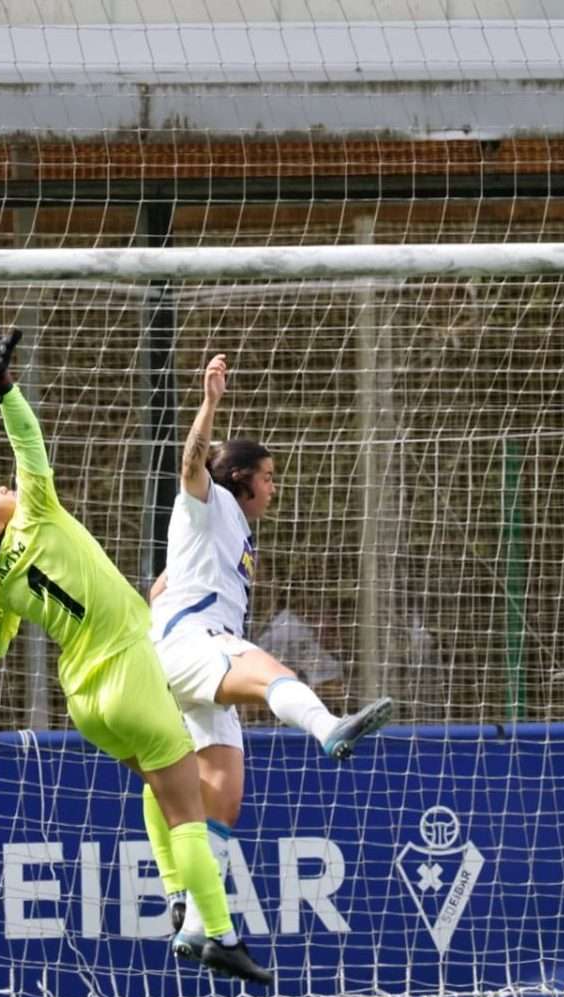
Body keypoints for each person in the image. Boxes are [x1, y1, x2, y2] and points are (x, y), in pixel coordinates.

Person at [0, 325, 272, 986]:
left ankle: (182, 898)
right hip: (128, 669)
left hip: (85, 698)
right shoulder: (36, 511)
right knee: (187, 810)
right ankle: (219, 931)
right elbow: (27, 441)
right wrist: (4, 385)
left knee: (159, 785)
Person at [147, 352, 393, 958]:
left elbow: (160, 586)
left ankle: (192, 918)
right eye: (269, 475)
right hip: (192, 646)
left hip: (191, 654)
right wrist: (210, 402)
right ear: (239, 478)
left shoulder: (229, 530)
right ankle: (329, 727)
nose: (274, 486)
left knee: (223, 792)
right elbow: (188, 465)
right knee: (272, 672)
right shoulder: (207, 501)